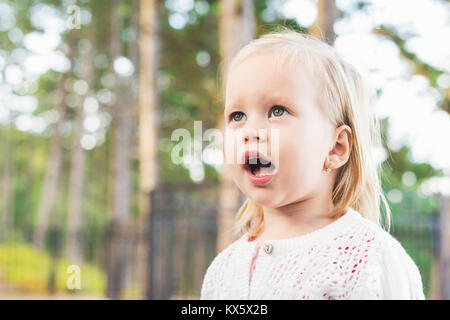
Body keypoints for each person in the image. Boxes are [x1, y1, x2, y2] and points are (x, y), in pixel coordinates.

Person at [200, 29, 425, 300]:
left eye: (277, 111)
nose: (250, 130)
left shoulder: (371, 259)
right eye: (237, 115)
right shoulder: (222, 270)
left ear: (336, 147)